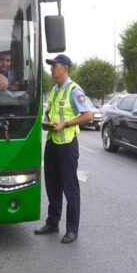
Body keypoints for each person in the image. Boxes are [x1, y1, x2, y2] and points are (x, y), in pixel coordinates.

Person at [35, 54, 92, 244]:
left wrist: (65, 124)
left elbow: (88, 116)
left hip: (67, 144)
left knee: (70, 187)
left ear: (65, 68)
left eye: (55, 65)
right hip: (52, 141)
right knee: (52, 185)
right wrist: (47, 123)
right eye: (51, 66)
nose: (52, 68)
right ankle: (52, 223)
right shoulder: (54, 90)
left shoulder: (74, 90)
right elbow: (52, 113)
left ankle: (72, 230)